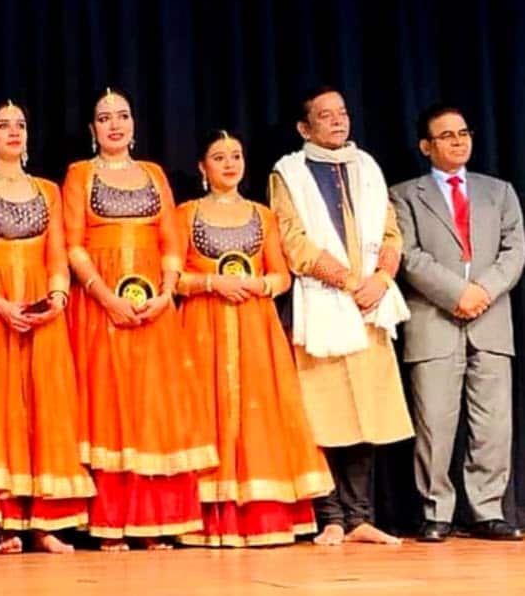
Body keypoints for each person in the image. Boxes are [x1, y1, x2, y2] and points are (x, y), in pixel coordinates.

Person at [63, 88, 217, 551]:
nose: (115, 124)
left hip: (155, 306)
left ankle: (157, 522)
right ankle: (112, 522)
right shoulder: (80, 174)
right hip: (101, 304)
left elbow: (171, 241)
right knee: (110, 404)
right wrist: (105, 296)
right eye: (105, 118)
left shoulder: (152, 174)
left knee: (155, 407)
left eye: (123, 116)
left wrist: (168, 293)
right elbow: (73, 244)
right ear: (92, 130)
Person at [269, 86, 413, 545]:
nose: (338, 121)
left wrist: (381, 280)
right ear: (304, 127)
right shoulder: (288, 172)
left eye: (343, 113)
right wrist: (351, 282)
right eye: (325, 116)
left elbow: (392, 231)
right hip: (323, 304)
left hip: (371, 304)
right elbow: (293, 241)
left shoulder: (366, 165)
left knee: (365, 414)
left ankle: (361, 516)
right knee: (324, 413)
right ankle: (331, 515)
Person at [175, 130, 334, 547]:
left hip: (255, 325)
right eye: (219, 157)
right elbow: (172, 278)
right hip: (203, 324)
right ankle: (206, 517)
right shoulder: (186, 214)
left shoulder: (262, 215)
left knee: (259, 412)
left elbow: (282, 275)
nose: (229, 164)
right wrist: (212, 282)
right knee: (205, 409)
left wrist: (258, 285)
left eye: (236, 156)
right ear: (202, 167)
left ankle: (263, 514)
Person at [0, 100, 94, 554]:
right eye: (3, 126)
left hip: (42, 307)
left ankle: (45, 521)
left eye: (20, 125)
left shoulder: (47, 190)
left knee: (45, 404)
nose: (13, 132)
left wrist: (57, 295)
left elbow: (57, 252)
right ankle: (4, 523)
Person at [390, 104, 525, 542]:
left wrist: (481, 292)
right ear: (426, 146)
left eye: (463, 132)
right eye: (446, 135)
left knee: (493, 423)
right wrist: (457, 294)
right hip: (435, 319)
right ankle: (436, 511)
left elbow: (514, 252)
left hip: (490, 319)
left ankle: (487, 510)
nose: (458, 141)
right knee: (435, 422)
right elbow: (408, 256)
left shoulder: (499, 191)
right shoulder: (404, 195)